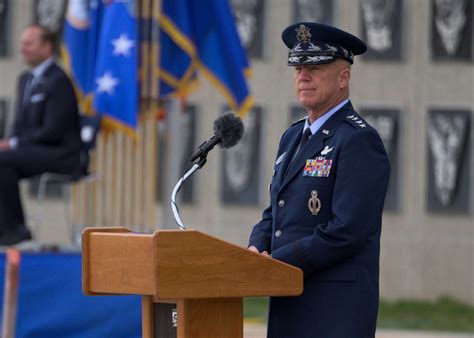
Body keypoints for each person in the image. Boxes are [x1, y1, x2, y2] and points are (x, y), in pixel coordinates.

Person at [248, 22, 390, 338]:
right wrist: (257, 248)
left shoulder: (358, 140)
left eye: (316, 67)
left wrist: (278, 262)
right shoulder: (292, 137)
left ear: (344, 77)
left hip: (333, 311)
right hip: (289, 302)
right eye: (298, 67)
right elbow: (275, 212)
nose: (303, 76)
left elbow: (347, 230)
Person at [0, 24, 81, 246]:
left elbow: (53, 130)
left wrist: (15, 144)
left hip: (61, 153)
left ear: (47, 47)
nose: (22, 48)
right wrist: (10, 141)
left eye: (29, 43)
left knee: (3, 160)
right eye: (21, 43)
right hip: (33, 148)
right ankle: (7, 229)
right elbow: (18, 123)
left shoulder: (59, 81)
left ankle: (17, 232)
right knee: (4, 160)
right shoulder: (25, 79)